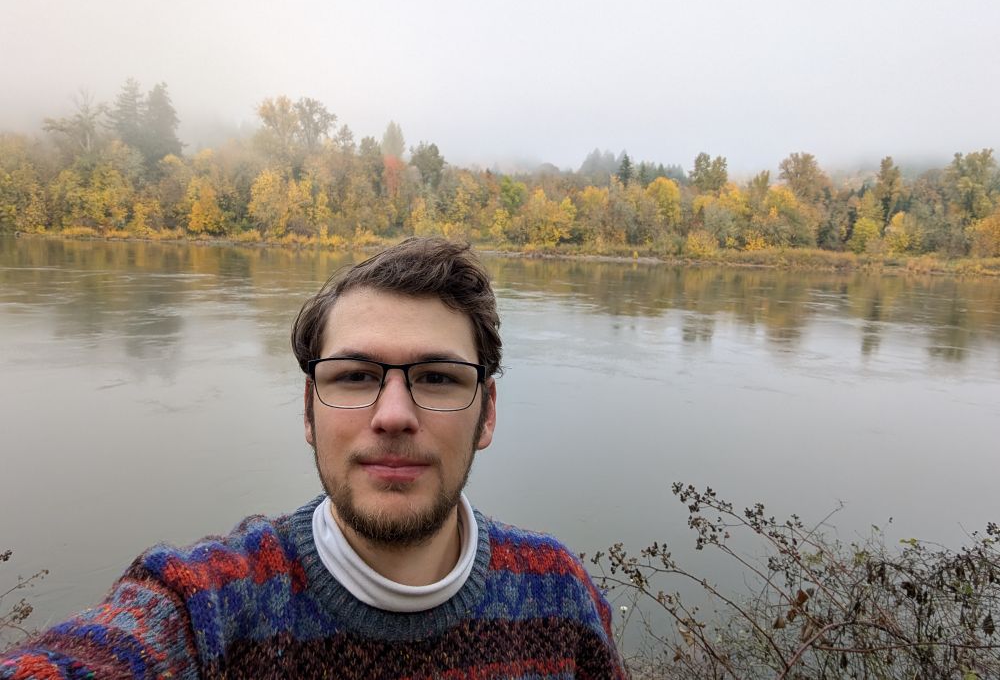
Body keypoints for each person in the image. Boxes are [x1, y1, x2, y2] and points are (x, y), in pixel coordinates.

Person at [1, 237, 624, 679]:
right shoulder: (210, 608)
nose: (393, 414)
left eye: (437, 377)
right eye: (355, 376)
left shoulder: (558, 595)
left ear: (486, 413)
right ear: (308, 410)